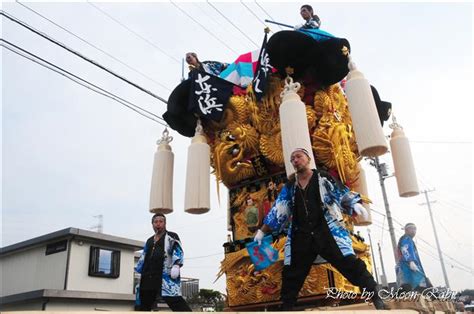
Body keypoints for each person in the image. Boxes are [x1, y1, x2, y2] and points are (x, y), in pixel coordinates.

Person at [254, 148, 386, 310]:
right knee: (292, 272)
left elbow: (339, 193)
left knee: (349, 263)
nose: (295, 160)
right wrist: (263, 230)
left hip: (326, 230)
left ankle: (375, 295)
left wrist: (354, 205)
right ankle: (287, 307)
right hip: (300, 234)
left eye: (299, 156)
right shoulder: (290, 186)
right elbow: (279, 210)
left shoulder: (322, 177)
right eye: (292, 158)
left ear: (308, 159)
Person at [135, 213, 192, 311]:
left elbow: (177, 249)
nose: (158, 224)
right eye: (155, 222)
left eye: (161, 221)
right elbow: (144, 256)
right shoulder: (149, 240)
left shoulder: (171, 236)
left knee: (174, 300)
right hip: (148, 275)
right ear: (152, 224)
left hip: (165, 275)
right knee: (144, 303)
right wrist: (139, 269)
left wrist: (177, 265)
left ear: (165, 224)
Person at [396, 223, 431, 291]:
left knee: (411, 285)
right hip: (408, 266)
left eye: (415, 229)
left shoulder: (408, 239)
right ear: (406, 230)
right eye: (411, 228)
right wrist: (411, 261)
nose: (414, 231)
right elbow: (405, 249)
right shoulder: (406, 238)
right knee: (417, 283)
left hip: (411, 266)